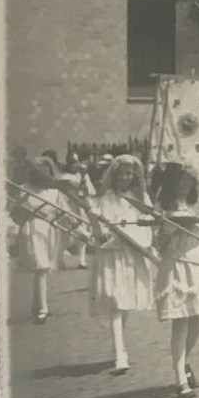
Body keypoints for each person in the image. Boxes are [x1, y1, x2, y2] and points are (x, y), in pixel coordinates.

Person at [152, 163, 199, 398]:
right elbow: (160, 247)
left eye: (189, 180)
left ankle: (184, 361)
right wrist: (168, 228)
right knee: (181, 322)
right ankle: (180, 381)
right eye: (181, 180)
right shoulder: (162, 207)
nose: (185, 185)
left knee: (198, 320)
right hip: (178, 264)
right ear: (172, 183)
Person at [87, 154, 156, 375]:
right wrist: (94, 221)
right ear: (114, 175)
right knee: (116, 302)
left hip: (133, 252)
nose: (125, 177)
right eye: (121, 173)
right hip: (113, 254)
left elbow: (149, 221)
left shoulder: (140, 197)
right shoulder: (106, 199)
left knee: (124, 302)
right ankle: (119, 354)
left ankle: (119, 344)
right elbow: (100, 235)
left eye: (129, 173)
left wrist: (142, 226)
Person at [12, 155, 76, 324]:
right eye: (37, 171)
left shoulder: (54, 192)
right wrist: (27, 209)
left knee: (44, 269)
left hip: (51, 231)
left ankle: (36, 305)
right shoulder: (25, 188)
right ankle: (42, 310)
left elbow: (66, 213)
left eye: (45, 171)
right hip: (32, 229)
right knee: (41, 267)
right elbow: (16, 215)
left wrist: (81, 228)